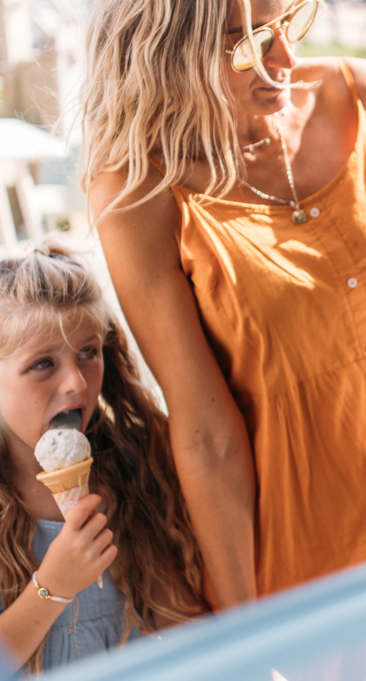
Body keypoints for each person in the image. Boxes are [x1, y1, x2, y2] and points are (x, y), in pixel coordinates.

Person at [81, 0, 366, 605]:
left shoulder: (365, 96)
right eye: (245, 40)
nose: (283, 58)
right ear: (167, 48)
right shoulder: (138, 190)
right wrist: (244, 632)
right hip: (308, 570)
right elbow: (206, 432)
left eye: (291, 19)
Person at [0, 245, 207, 674]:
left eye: (88, 353)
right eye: (42, 363)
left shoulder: (125, 472)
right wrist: (53, 585)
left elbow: (177, 614)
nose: (76, 382)